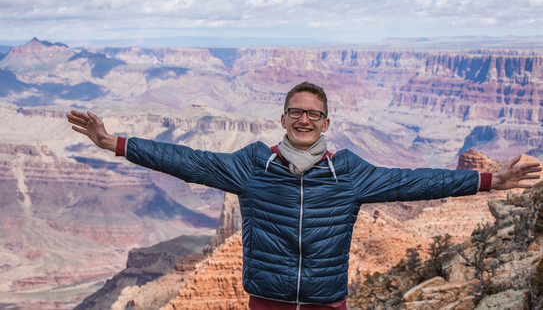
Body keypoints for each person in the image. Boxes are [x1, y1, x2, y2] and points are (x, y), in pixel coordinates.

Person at [67, 81, 541, 310]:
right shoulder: (252, 166)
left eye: (314, 114)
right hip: (268, 301)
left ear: (326, 123)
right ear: (283, 118)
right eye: (296, 112)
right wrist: (116, 144)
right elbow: (188, 160)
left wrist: (489, 181)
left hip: (326, 302)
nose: (304, 120)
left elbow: (415, 181)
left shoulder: (348, 173)